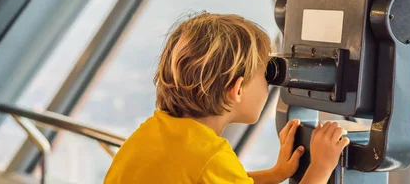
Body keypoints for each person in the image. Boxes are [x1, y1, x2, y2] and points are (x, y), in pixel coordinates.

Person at [104, 12, 349, 184]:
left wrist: (276, 174)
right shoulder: (211, 156)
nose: (268, 84)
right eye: (265, 75)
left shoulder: (152, 132)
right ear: (237, 89)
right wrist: (321, 166)